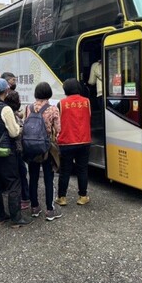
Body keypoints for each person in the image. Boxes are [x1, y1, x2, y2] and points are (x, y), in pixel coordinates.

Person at [0, 78, 32, 227]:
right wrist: (20, 128)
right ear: (6, 91)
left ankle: (0, 217)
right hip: (6, 152)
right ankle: (16, 218)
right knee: (13, 183)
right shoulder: (4, 108)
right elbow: (13, 133)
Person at [25, 82, 62, 221]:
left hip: (31, 148)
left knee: (33, 177)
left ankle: (34, 207)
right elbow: (58, 130)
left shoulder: (28, 107)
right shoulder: (53, 109)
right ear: (49, 93)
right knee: (48, 178)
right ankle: (50, 210)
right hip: (46, 148)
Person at [55, 78, 92, 206]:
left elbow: (58, 124)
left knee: (65, 170)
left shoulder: (61, 103)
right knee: (82, 169)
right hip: (84, 140)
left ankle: (62, 198)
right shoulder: (87, 102)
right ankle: (82, 196)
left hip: (66, 142)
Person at [4, 90, 30, 210]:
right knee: (21, 174)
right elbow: (15, 133)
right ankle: (24, 198)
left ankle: (24, 197)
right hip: (17, 149)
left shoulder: (10, 113)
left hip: (15, 149)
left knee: (20, 174)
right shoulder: (11, 115)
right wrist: (21, 129)